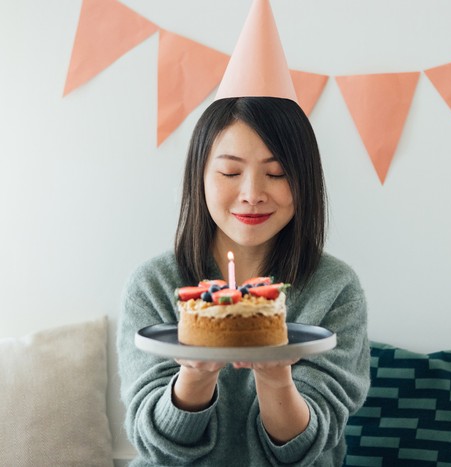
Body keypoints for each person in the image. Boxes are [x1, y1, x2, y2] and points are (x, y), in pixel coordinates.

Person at [117, 96, 370, 466]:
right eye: (231, 173)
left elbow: (305, 448)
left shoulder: (336, 288)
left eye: (278, 173)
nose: (252, 194)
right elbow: (155, 445)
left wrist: (275, 374)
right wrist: (195, 372)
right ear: (199, 177)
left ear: (304, 181)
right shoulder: (153, 285)